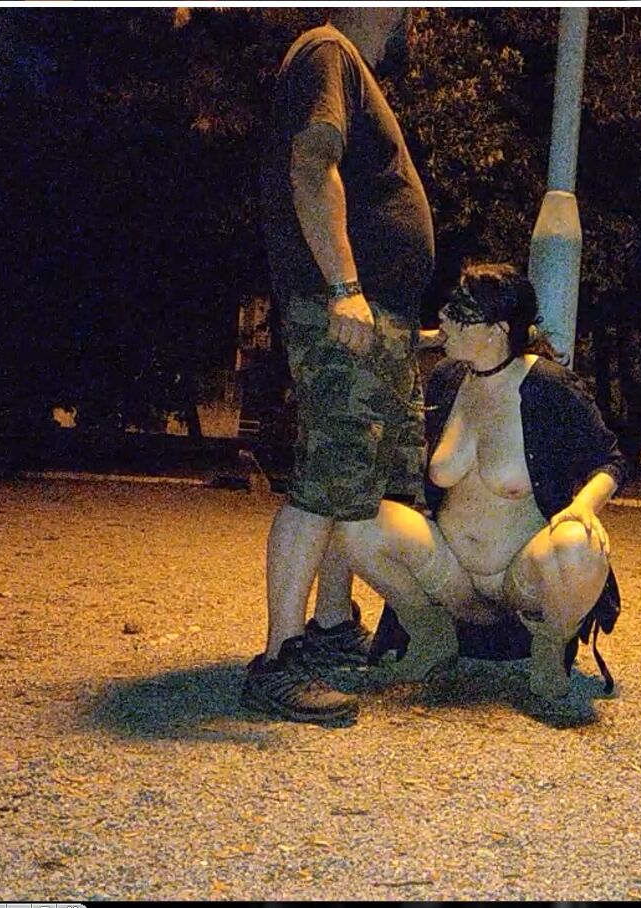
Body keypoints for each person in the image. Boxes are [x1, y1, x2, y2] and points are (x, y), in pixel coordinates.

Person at [245, 7, 435, 724]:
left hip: (373, 314)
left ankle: (328, 625)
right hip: (347, 310)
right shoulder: (328, 52)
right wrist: (344, 289)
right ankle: (277, 660)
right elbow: (312, 164)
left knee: (352, 484)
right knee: (326, 480)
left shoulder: (349, 67)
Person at [337, 264, 627, 702]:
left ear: (498, 329)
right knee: (354, 521)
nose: (444, 318)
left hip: (519, 579)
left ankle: (549, 648)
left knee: (578, 545)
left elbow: (611, 459)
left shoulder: (548, 385)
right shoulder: (447, 378)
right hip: (450, 574)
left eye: (460, 312)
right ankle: (431, 636)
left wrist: (583, 506)